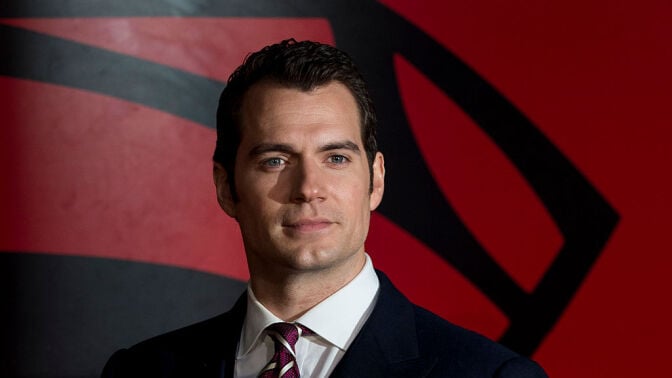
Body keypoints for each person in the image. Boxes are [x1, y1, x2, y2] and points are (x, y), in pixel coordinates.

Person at [102, 39, 547, 377]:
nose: (309, 188)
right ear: (225, 187)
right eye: (276, 160)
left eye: (336, 158)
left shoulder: (489, 374)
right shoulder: (140, 371)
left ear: (375, 180)